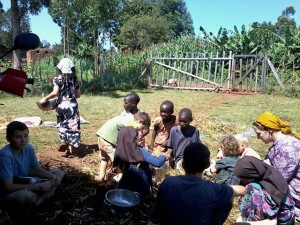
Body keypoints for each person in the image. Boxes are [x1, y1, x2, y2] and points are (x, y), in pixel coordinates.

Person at [150, 142, 246, 225]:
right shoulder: (215, 189)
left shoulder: (169, 182)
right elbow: (242, 190)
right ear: (208, 164)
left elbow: (154, 216)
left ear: (183, 164)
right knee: (227, 199)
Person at [0, 121, 64, 209]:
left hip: (24, 181)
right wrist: (39, 186)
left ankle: (39, 201)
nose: (23, 140)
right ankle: (39, 202)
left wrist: (52, 177)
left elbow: (38, 169)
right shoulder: (5, 155)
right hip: (8, 191)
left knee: (58, 173)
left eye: (25, 136)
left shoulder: (28, 148)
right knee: (24, 195)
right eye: (18, 137)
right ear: (8, 139)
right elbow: (8, 187)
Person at [253, 111, 300, 223]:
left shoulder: (287, 148)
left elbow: (279, 179)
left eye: (259, 133)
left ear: (270, 130)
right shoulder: (279, 144)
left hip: (295, 192)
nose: (257, 137)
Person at [113, 112, 167, 199]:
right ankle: (145, 193)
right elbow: (157, 162)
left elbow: (116, 160)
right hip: (141, 186)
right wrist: (164, 156)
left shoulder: (121, 149)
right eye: (139, 131)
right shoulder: (139, 152)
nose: (141, 133)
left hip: (126, 184)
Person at [39, 58, 81, 158]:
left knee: (62, 124)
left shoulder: (57, 79)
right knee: (73, 127)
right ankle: (71, 151)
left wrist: (45, 98)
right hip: (72, 107)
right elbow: (78, 95)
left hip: (61, 105)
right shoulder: (75, 80)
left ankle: (63, 141)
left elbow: (55, 93)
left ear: (59, 68)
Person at [234, 156, 295, 224]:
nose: (242, 181)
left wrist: (245, 223)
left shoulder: (258, 189)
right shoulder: (270, 174)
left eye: (243, 178)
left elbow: (272, 222)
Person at [95, 115, 132, 182]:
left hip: (101, 137)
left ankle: (101, 177)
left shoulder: (122, 118)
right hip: (107, 141)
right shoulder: (128, 124)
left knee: (104, 158)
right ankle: (120, 179)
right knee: (117, 160)